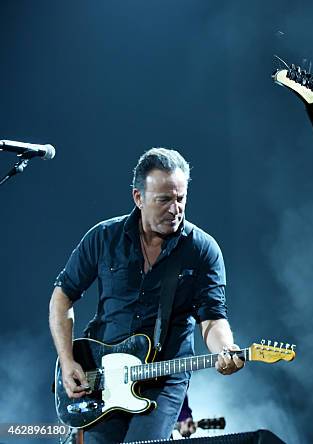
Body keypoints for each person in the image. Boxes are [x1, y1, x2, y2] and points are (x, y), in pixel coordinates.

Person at [49, 148, 244, 443]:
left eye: (181, 199)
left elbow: (213, 317)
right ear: (138, 198)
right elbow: (62, 297)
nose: (175, 209)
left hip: (163, 379)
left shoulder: (202, 249)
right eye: (164, 200)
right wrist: (67, 361)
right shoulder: (104, 237)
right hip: (99, 375)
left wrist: (225, 347)